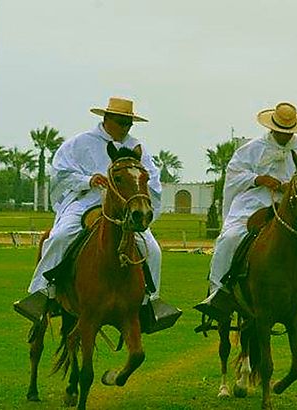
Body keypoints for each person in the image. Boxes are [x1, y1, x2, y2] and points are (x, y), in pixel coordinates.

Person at [13, 96, 180, 331]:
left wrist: (138, 199)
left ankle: (148, 301)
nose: (126, 128)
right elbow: (60, 173)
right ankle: (42, 293)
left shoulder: (137, 148)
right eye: (122, 122)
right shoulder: (80, 143)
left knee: (152, 249)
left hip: (123, 208)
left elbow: (151, 181)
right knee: (60, 236)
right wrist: (88, 180)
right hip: (85, 202)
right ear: (107, 119)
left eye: (129, 123)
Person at [194, 102, 297, 332]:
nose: (284, 136)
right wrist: (259, 179)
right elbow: (234, 176)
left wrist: (290, 188)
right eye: (280, 131)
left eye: (288, 132)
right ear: (272, 128)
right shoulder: (250, 150)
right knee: (230, 239)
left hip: (289, 212)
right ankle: (219, 293)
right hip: (253, 205)